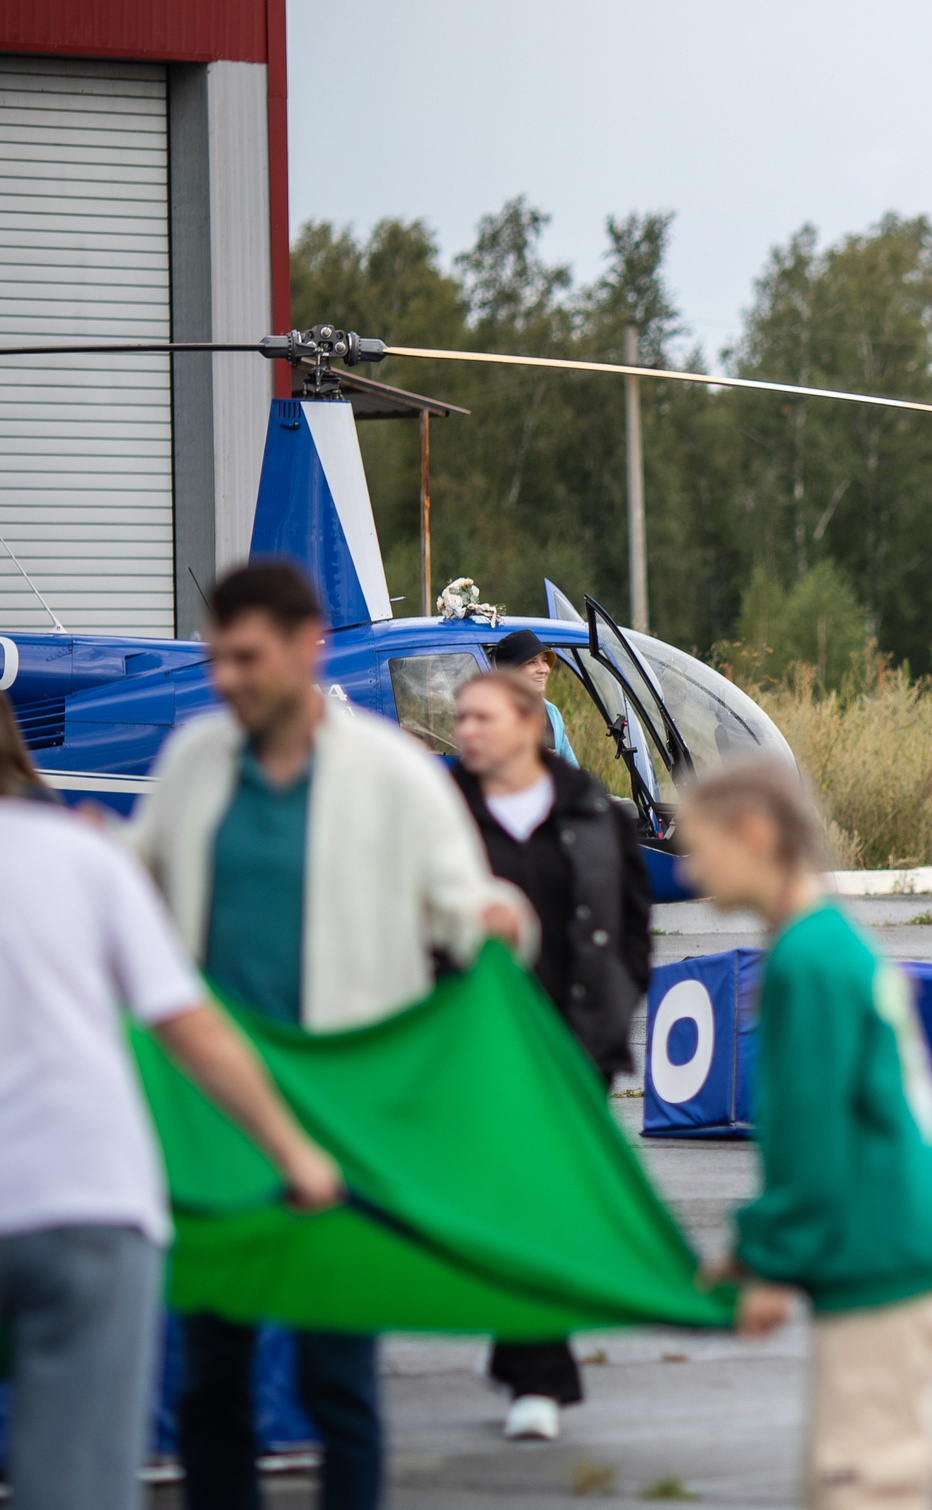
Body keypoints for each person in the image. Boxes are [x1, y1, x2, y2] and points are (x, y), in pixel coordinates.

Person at [124, 559, 529, 1510]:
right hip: (212, 1115)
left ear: (308, 649)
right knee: (209, 1383)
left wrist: (501, 919)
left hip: (338, 1122)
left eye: (246, 658)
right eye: (217, 657)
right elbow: (133, 885)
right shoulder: (193, 761)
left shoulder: (391, 774)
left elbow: (463, 904)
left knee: (337, 1379)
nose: (224, 678)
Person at [0, 691, 342, 1510]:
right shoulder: (80, 859)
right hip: (82, 1196)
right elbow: (189, 1025)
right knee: (76, 1478)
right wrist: (294, 1151)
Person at [681, 759, 932, 1510]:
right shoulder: (830, 938)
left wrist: (771, 1262)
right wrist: (755, 1250)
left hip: (881, 1254)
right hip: (899, 1238)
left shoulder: (806, 960)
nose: (688, 864)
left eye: (698, 844)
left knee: (864, 1483)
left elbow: (810, 1139)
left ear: (753, 833)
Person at [448, 669, 652, 1442]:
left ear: (532, 725)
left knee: (543, 1200)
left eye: (484, 717)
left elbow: (631, 924)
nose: (466, 730)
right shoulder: (444, 815)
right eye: (461, 717)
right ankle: (518, 1343)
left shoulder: (593, 808)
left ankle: (538, 1374)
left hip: (574, 1048)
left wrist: (616, 1010)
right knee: (499, 1206)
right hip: (480, 1046)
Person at [489, 628, 578, 767]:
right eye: (532, 662)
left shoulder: (551, 712)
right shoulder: (489, 717)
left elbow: (572, 771)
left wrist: (555, 768)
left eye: (544, 661)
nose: (543, 669)